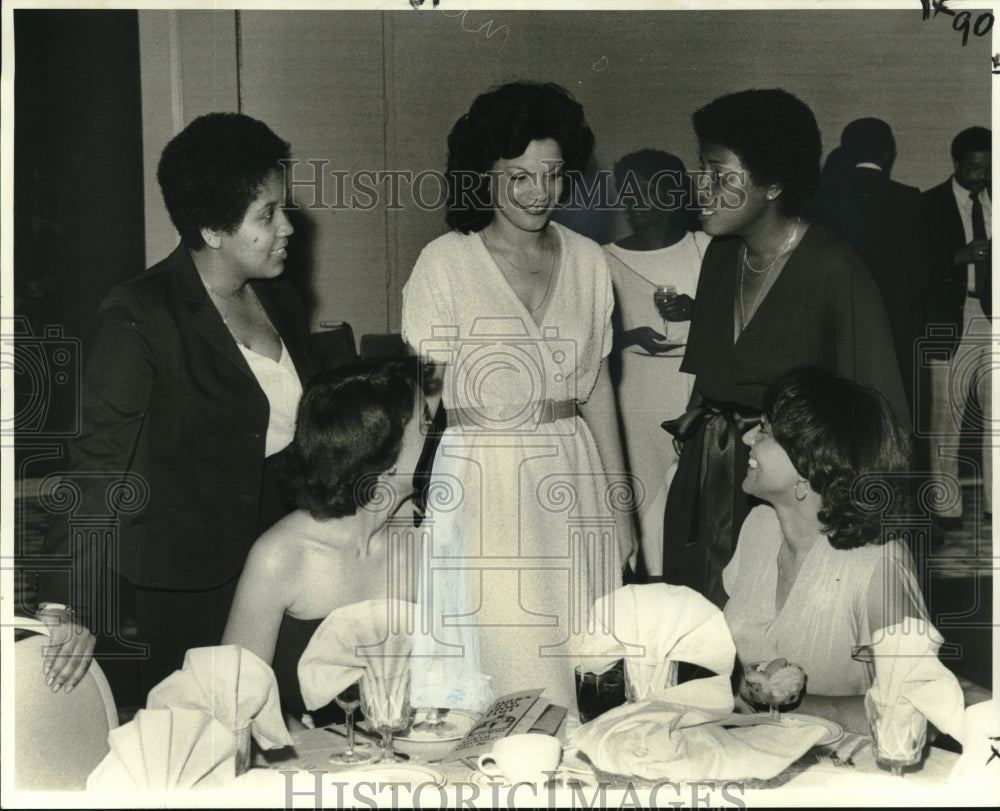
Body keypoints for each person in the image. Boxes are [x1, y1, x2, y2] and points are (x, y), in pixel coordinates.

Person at [36, 113, 314, 694]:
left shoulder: (279, 294)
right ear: (213, 230)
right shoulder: (140, 315)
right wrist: (68, 601)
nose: (288, 227)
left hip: (289, 558)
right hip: (194, 581)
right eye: (268, 215)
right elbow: (96, 465)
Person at [402, 81, 636, 711]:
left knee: (589, 660)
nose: (540, 194)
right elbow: (424, 403)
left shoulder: (590, 261)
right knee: (512, 665)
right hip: (485, 483)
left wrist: (621, 507)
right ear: (484, 175)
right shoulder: (444, 263)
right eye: (520, 177)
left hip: (574, 472)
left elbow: (599, 394)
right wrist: (393, 498)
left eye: (553, 175)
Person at [663, 88, 908, 608]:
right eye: (700, 169)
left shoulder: (833, 268)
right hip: (706, 478)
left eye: (721, 175)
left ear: (773, 183)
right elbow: (709, 380)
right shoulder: (719, 258)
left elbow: (884, 416)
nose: (701, 188)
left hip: (787, 500)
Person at [724, 366, 988, 734]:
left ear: (808, 463)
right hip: (747, 750)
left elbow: (915, 711)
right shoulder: (758, 529)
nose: (748, 436)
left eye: (765, 429)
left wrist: (781, 709)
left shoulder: (880, 563)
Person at [222, 360, 426, 721]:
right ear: (388, 459)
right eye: (425, 423)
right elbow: (234, 699)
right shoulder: (281, 555)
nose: (440, 433)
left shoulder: (423, 531)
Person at [603, 150, 709, 578]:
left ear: (671, 192)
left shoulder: (705, 247)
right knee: (642, 496)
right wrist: (630, 336)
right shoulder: (602, 258)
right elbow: (593, 337)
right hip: (635, 393)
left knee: (692, 497)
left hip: (694, 387)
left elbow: (740, 321)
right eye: (626, 188)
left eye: (646, 187)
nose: (634, 198)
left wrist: (697, 311)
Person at [808, 118, 935, 411]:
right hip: (894, 328)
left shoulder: (821, 199)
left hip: (834, 327)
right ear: (887, 153)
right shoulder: (909, 199)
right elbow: (923, 273)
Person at [920, 126, 992, 534]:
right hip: (953, 316)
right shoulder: (929, 204)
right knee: (947, 419)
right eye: (973, 167)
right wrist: (957, 256)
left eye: (988, 167)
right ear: (956, 162)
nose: (981, 175)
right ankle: (946, 511)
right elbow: (912, 268)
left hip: (994, 315)